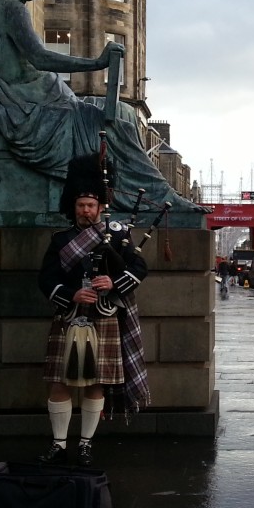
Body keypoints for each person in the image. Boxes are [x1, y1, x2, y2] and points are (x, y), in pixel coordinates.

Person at [0, 0, 200, 213]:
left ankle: (156, 195)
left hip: (37, 96)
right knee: (119, 120)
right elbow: (40, 58)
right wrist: (97, 63)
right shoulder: (11, 8)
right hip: (28, 102)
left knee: (122, 113)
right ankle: (156, 198)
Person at [37, 154, 150, 467]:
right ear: (73, 207)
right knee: (58, 382)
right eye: (81, 205)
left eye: (91, 205)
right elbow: (46, 278)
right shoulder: (60, 240)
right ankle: (59, 444)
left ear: (101, 207)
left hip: (104, 316)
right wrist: (72, 294)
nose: (86, 210)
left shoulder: (117, 234)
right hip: (69, 317)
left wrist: (112, 281)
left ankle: (85, 444)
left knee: (96, 383)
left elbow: (139, 267)